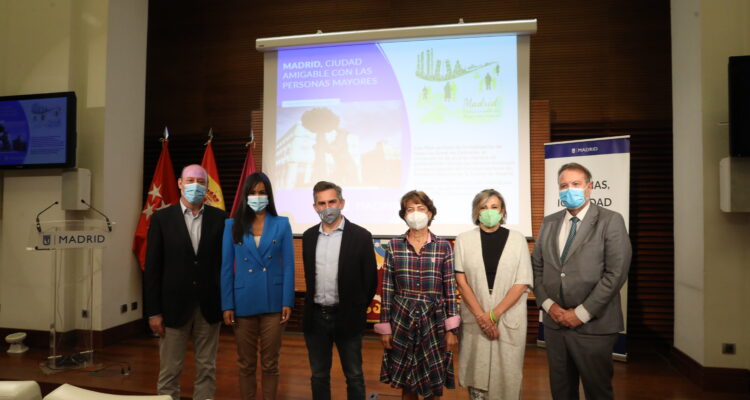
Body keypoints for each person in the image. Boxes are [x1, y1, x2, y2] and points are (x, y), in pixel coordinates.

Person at [532, 163, 631, 400]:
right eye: (564, 185)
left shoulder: (610, 220)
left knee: (597, 392)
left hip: (593, 326)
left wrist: (581, 313)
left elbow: (616, 273)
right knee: (561, 392)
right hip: (555, 325)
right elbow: (536, 267)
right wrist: (549, 306)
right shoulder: (549, 222)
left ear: (589, 187)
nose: (569, 190)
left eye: (576, 184)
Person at [144, 164, 227, 400]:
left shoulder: (220, 219)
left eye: (201, 182)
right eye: (190, 181)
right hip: (172, 307)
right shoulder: (162, 219)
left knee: (207, 368)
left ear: (207, 187)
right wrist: (153, 312)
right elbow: (152, 268)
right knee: (170, 370)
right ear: (180, 184)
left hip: (209, 306)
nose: (195, 186)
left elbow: (224, 265)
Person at [375, 190, 460, 400]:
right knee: (407, 384)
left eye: (421, 208)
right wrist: (385, 327)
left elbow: (450, 289)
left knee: (433, 381)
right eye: (410, 209)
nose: (415, 213)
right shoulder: (394, 245)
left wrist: (452, 330)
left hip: (434, 321)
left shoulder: (443, 246)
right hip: (402, 320)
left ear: (430, 213)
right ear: (404, 215)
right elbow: (387, 289)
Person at [221, 172, 294, 400]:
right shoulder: (232, 225)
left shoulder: (282, 224)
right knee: (246, 363)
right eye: (252, 193)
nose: (257, 197)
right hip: (243, 301)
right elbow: (226, 268)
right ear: (245, 196)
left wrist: (287, 301)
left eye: (262, 192)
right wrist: (227, 304)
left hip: (274, 301)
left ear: (269, 196)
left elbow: (289, 266)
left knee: (270, 363)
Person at [301, 181, 378, 400]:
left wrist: (355, 308)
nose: (327, 208)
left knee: (354, 375)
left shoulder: (361, 236)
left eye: (332, 202)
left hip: (348, 317)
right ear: (315, 207)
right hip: (316, 317)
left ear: (342, 203)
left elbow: (370, 281)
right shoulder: (308, 236)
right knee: (318, 375)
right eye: (321, 203)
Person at [454, 189, 533, 399]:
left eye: (494, 207)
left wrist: (493, 315)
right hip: (475, 314)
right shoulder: (463, 239)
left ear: (503, 211)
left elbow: (522, 282)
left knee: (506, 375)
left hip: (508, 315)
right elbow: (461, 282)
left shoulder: (518, 239)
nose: (489, 211)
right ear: (476, 211)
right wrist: (482, 317)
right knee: (477, 374)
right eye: (483, 207)